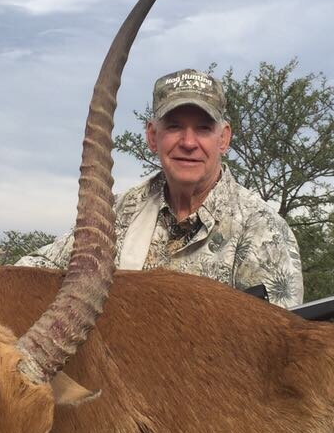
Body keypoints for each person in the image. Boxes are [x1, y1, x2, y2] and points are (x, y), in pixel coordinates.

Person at [17, 68, 304, 307]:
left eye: (203, 128)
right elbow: (32, 270)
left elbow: (272, 351)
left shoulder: (263, 230)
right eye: (174, 127)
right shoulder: (119, 212)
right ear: (153, 137)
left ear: (224, 138)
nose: (189, 143)